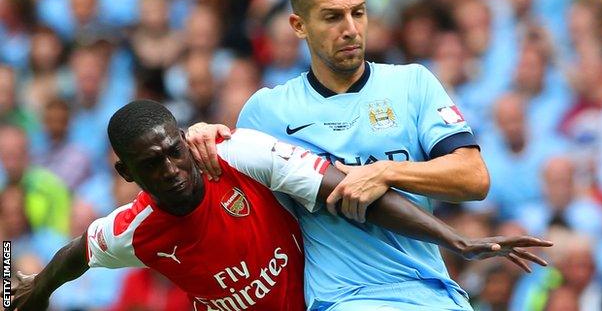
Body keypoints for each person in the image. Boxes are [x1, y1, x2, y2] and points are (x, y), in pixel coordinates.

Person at [186, 0, 516, 309]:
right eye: (332, 17)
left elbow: (474, 177)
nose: (351, 29)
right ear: (299, 25)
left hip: (435, 293)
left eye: (358, 13)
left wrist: (384, 171)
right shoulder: (267, 112)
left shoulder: (412, 83)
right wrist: (203, 137)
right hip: (346, 298)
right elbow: (225, 199)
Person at [9, 100, 552, 311]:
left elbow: (348, 189)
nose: (171, 170)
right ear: (128, 174)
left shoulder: (239, 154)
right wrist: (34, 290)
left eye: (174, 152)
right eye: (151, 166)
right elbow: (77, 253)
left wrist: (458, 240)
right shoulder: (137, 229)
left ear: (183, 140)